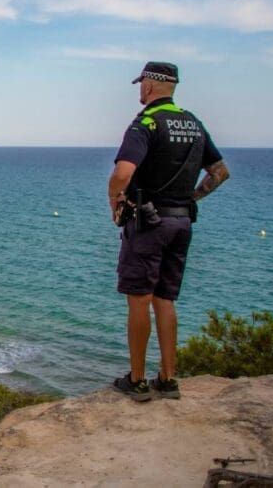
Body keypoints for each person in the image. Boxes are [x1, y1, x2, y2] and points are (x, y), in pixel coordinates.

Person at [108, 62, 229, 402]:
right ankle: (169, 379)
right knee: (166, 299)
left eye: (141, 83)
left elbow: (123, 172)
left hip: (148, 223)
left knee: (139, 299)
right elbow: (219, 172)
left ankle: (137, 380)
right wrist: (190, 197)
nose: (139, 90)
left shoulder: (146, 122)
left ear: (149, 85)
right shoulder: (194, 124)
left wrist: (114, 200)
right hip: (182, 222)